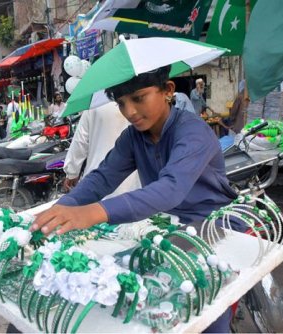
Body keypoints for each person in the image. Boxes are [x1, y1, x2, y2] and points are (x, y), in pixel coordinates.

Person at [31, 65, 236, 332]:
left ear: (168, 91)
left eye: (139, 98)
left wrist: (91, 213)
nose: (130, 112)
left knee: (205, 305)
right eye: (121, 103)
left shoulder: (192, 131)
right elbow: (103, 177)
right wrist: (62, 208)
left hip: (212, 227)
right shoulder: (133, 137)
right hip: (168, 225)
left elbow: (170, 188)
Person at [63, 101, 141, 196]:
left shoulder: (94, 104)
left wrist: (72, 172)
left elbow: (80, 142)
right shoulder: (139, 106)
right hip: (131, 187)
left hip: (96, 182)